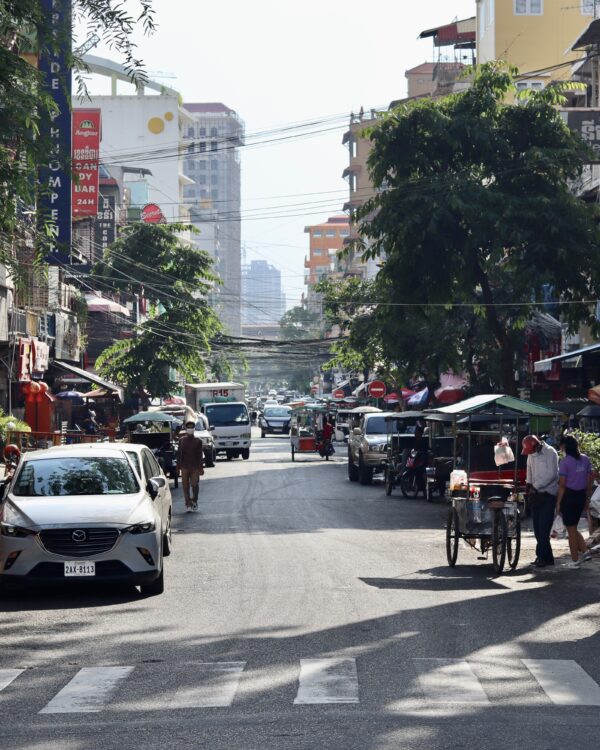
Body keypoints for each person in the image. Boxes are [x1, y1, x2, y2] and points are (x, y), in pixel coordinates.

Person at [556, 435, 593, 569]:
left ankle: (575, 560)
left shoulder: (565, 462)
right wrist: (587, 498)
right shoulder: (585, 459)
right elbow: (589, 480)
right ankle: (585, 551)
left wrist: (558, 503)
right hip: (581, 495)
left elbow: (562, 485)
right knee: (573, 527)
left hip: (569, 496)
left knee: (571, 530)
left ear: (565, 446)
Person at [522, 434, 559, 568]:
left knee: (544, 529)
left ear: (537, 445)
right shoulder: (531, 455)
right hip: (536, 496)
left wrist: (536, 486)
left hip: (548, 495)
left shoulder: (550, 453)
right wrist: (529, 485)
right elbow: (529, 471)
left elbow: (553, 474)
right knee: (537, 529)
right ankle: (547, 557)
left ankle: (542, 557)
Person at [177, 419, 204, 512]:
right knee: (185, 486)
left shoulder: (198, 441)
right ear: (186, 428)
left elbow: (200, 455)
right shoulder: (182, 441)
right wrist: (178, 467)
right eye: (188, 427)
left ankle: (194, 500)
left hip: (195, 467)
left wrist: (201, 467)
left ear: (194, 429)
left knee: (194, 485)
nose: (190, 429)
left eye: (192, 427)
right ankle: (188, 503)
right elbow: (179, 455)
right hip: (184, 467)